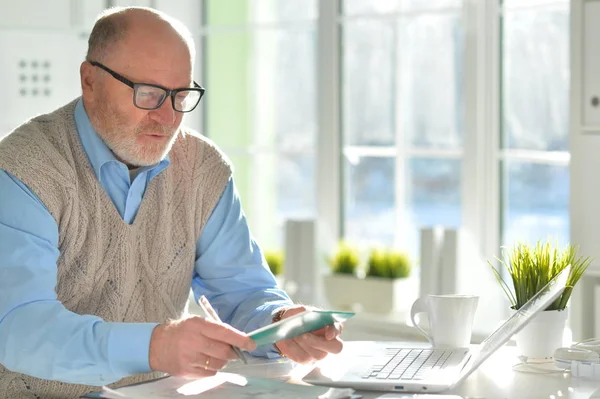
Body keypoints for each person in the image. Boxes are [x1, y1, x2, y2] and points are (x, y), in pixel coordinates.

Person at [0, 6, 343, 398]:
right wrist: (155, 347)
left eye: (181, 95)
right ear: (89, 80)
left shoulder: (202, 169)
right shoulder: (24, 170)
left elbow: (244, 292)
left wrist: (282, 324)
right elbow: (20, 329)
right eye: (148, 94)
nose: (167, 117)